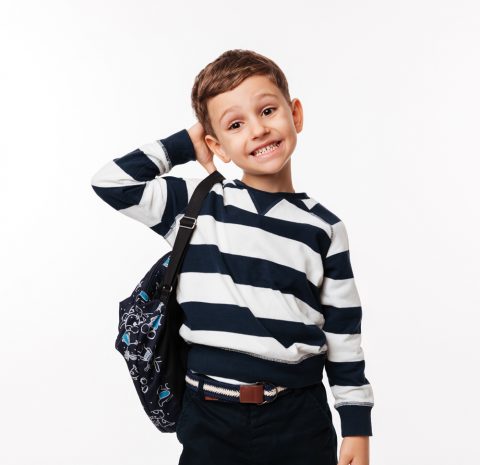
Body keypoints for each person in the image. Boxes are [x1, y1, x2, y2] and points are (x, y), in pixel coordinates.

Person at [91, 49, 374, 465]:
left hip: (299, 416)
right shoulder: (197, 203)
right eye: (235, 125)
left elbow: (344, 334)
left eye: (268, 110)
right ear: (216, 144)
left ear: (295, 114)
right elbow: (111, 182)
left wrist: (356, 427)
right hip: (209, 413)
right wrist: (186, 143)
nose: (257, 130)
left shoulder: (325, 228)